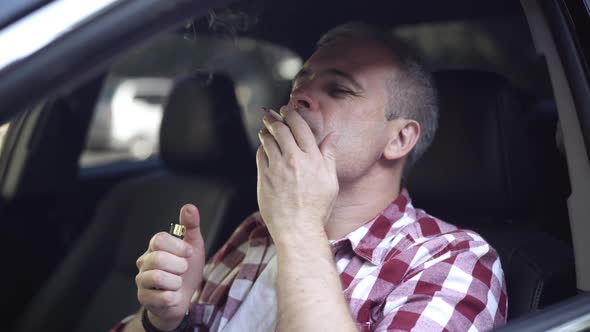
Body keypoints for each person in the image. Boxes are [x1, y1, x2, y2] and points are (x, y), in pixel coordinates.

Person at [114, 23, 507, 332]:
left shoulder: (452, 261)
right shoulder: (256, 233)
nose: (298, 96)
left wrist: (300, 226)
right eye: (300, 81)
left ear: (399, 138)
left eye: (339, 89)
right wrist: (161, 322)